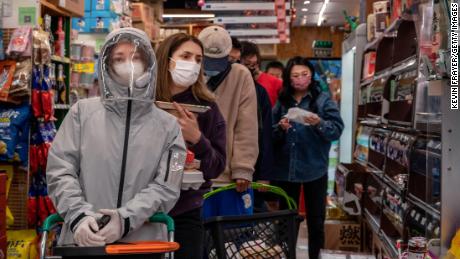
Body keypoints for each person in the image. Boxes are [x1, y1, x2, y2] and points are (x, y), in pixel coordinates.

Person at [46, 28, 187, 246]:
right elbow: (59, 170)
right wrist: (79, 217)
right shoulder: (80, 114)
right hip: (84, 241)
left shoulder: (170, 127)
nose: (128, 64)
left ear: (149, 63)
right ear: (107, 65)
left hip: (144, 244)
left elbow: (170, 183)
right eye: (119, 58)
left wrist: (127, 219)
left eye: (136, 57)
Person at [155, 33, 227, 259]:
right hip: (139, 210)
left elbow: (216, 166)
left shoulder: (206, 107)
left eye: (198, 59)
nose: (192, 64)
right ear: (167, 60)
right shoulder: (143, 100)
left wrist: (197, 138)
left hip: (186, 210)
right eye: (185, 56)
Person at [271, 56, 344, 259]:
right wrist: (280, 128)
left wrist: (318, 122)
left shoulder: (322, 100)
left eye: (305, 74)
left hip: (315, 169)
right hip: (286, 171)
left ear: (311, 76)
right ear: (288, 78)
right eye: (295, 75)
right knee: (286, 223)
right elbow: (270, 133)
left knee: (316, 222)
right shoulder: (282, 101)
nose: (300, 79)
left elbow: (336, 130)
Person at [198, 26, 258, 215]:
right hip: (192, 177)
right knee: (197, 239)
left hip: (229, 178)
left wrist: (243, 168)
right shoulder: (190, 73)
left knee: (232, 238)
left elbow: (246, 125)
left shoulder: (240, 75)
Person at [239, 41, 274, 211]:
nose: (251, 69)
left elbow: (266, 136)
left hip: (253, 169)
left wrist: (265, 175)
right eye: (246, 64)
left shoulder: (260, 92)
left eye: (255, 65)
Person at [240, 41, 282, 107]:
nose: (251, 68)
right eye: (246, 64)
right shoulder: (234, 83)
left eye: (253, 64)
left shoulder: (275, 82)